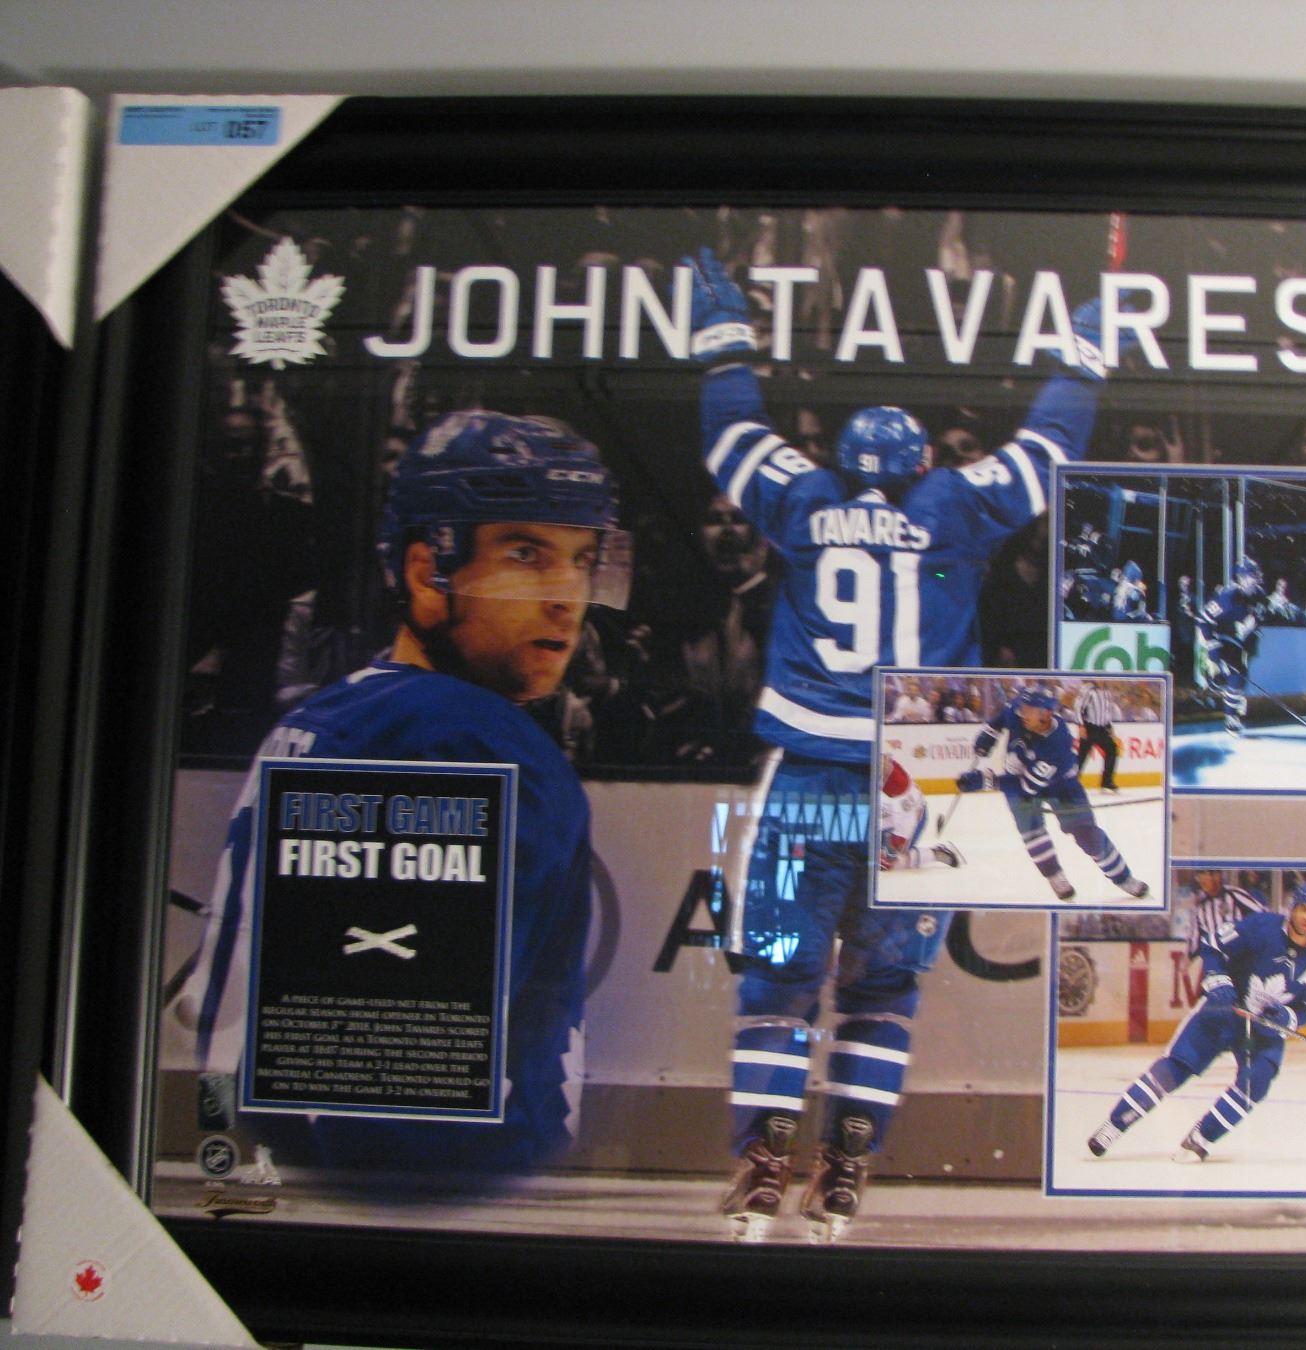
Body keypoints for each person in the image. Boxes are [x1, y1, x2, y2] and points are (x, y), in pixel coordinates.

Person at [681, 247, 1122, 1241]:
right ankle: (847, 1167)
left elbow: (732, 437)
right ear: (922, 464)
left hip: (808, 774)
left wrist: (724, 347)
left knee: (779, 979)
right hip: (914, 786)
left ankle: (763, 1160)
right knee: (884, 988)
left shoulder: (803, 499)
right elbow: (1049, 447)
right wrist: (1083, 359)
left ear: (843, 464)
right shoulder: (956, 503)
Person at [175, 410, 616, 1178]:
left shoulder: (325, 713)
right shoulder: (470, 739)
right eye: (526, 554)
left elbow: (215, 1011)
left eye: (581, 561)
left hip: (280, 1154)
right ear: (426, 572)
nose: (566, 598)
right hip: (434, 1184)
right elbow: (411, 1078)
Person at [1087, 883, 1306, 1162]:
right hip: (1223, 1013)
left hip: (1263, 1031)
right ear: (1292, 909)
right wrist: (1217, 979)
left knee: (1257, 1081)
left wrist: (1288, 1017)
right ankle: (1114, 1125)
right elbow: (1213, 945)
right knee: (1176, 1067)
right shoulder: (1261, 926)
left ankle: (1201, 1138)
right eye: (1303, 908)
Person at [958, 686, 1152, 904]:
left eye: (1028, 709)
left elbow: (1025, 787)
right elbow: (1003, 716)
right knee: (1032, 833)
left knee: (1089, 837)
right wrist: (988, 735)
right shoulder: (1018, 712)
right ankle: (1054, 875)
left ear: (1045, 714)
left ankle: (1123, 878)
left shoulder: (1057, 746)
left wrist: (984, 780)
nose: (1022, 712)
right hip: (1020, 779)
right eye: (1022, 706)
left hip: (1061, 786)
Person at [1198, 557, 1264, 735]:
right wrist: (1212, 645)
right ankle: (1230, 717)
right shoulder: (1228, 596)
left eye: (1256, 576)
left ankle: (1219, 685)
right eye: (1252, 576)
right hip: (1222, 640)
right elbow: (1203, 620)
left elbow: (1257, 619)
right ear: (1242, 578)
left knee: (1240, 677)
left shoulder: (1257, 595)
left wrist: (1253, 636)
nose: (1256, 580)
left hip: (1237, 643)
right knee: (1236, 676)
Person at [877, 754, 965, 872]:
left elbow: (906, 821)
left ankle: (935, 853)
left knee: (886, 862)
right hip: (888, 818)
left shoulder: (898, 785)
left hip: (911, 817)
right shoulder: (871, 773)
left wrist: (897, 842)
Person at [1183, 868, 1265, 951]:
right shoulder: (1199, 907)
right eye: (1201, 875)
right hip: (1218, 954)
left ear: (1219, 875)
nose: (1206, 879)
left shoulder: (1234, 894)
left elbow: (1263, 917)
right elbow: (1194, 944)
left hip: (1244, 952)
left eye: (1212, 874)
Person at [1073, 679, 1122, 792]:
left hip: (1102, 728)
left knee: (1112, 750)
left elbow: (1106, 711)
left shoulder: (1106, 691)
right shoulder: (1089, 689)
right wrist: (1081, 725)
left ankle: (1107, 782)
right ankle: (1072, 781)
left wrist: (1109, 726)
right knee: (1082, 755)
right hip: (1090, 727)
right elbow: (1078, 707)